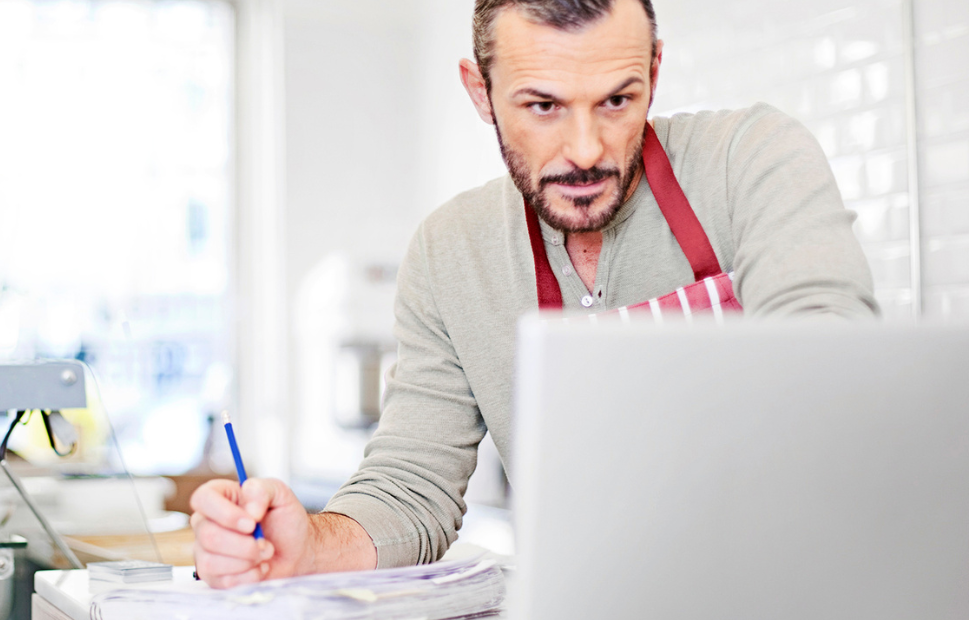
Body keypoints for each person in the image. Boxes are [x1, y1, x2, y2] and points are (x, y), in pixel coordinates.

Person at [189, 0, 879, 588]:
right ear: (480, 92)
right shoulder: (450, 251)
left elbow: (830, 367)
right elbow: (411, 487)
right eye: (543, 106)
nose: (586, 150)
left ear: (655, 71)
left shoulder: (750, 160)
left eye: (617, 99)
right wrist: (309, 546)